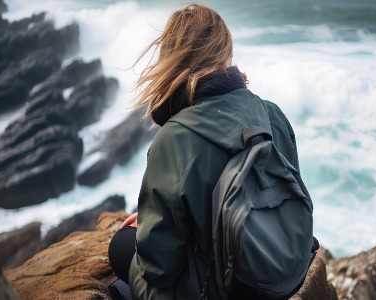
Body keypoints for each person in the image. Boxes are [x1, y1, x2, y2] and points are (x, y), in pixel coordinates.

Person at [108, 3, 308, 299]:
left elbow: (158, 267)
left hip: (213, 291)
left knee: (121, 245)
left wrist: (145, 226)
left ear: (173, 57)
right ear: (227, 54)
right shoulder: (273, 115)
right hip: (279, 276)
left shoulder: (175, 137)